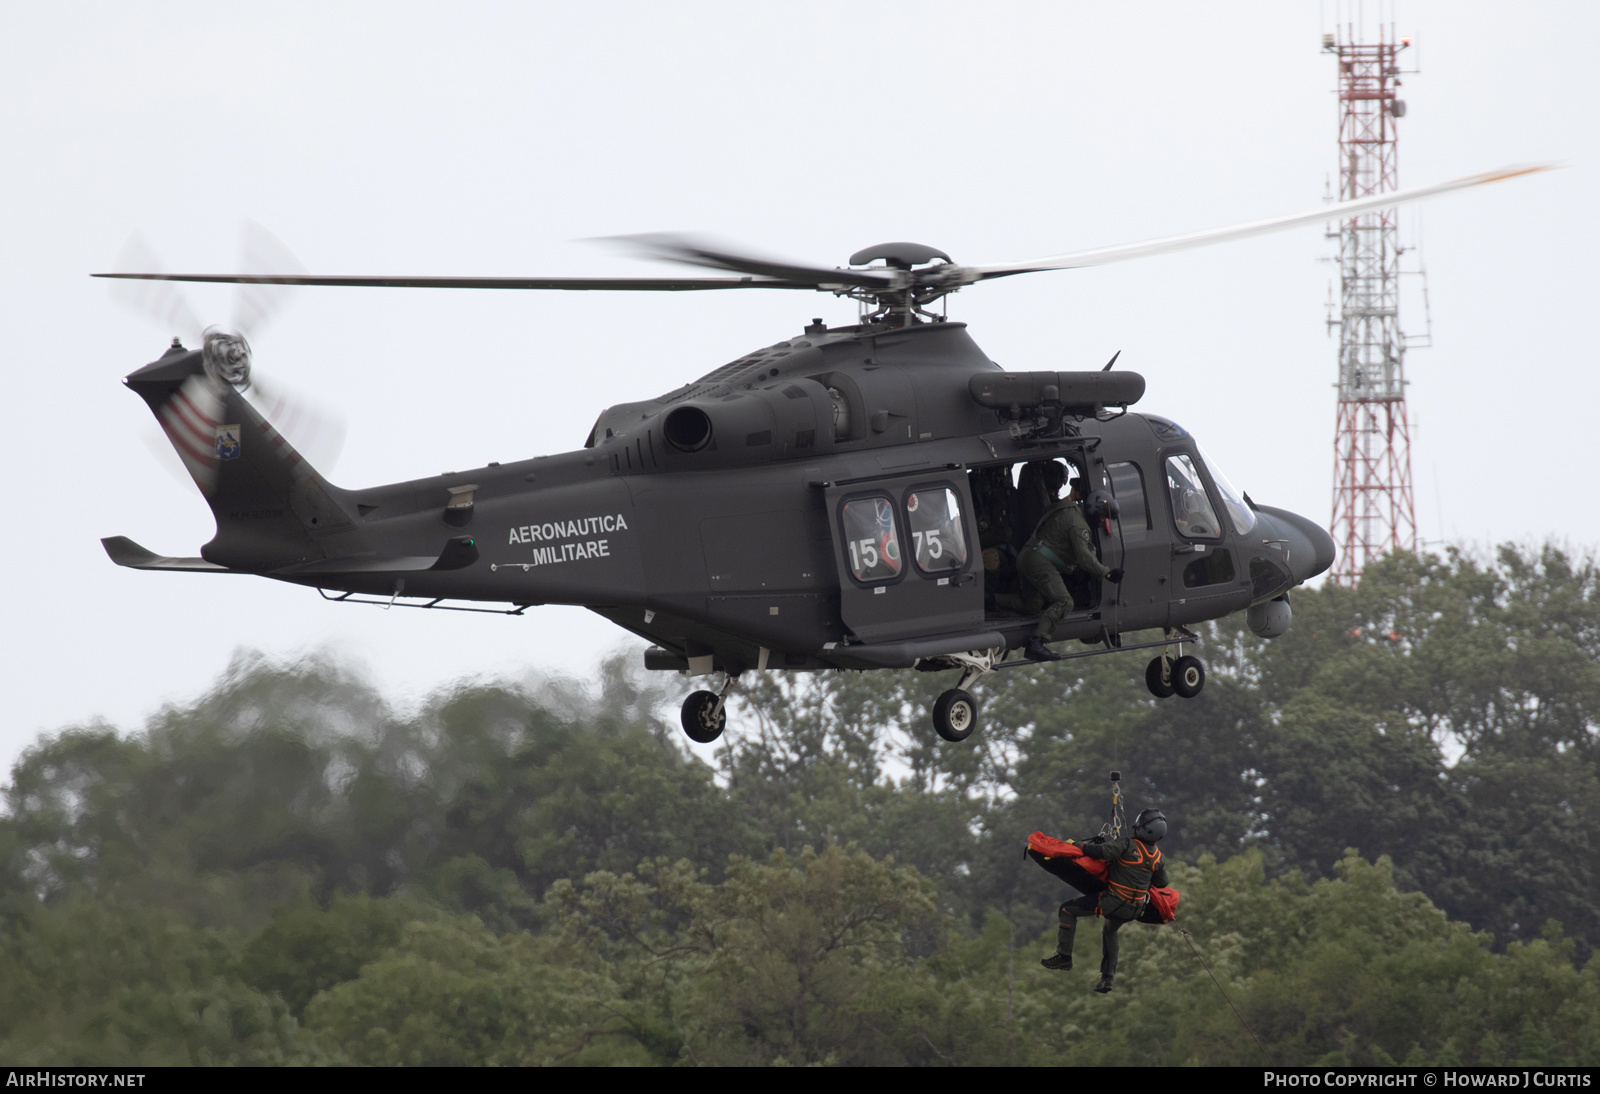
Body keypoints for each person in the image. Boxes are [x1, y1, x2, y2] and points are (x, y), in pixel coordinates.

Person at [1041, 809, 1168, 994]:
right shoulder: (1158, 857)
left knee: (1067, 910)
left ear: (1144, 829)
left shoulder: (1126, 844)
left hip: (1113, 902)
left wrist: (1078, 845)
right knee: (1110, 930)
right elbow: (1163, 882)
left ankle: (1064, 956)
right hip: (1134, 909)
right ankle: (1107, 978)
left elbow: (1099, 852)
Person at [1017, 462, 1123, 661]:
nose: (1102, 522)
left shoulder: (1069, 511)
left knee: (1034, 604)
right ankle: (1036, 643)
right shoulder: (1079, 526)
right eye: (1102, 517)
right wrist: (1107, 573)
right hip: (1039, 561)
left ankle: (993, 600)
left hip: (1027, 556)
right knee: (1065, 601)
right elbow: (1084, 558)